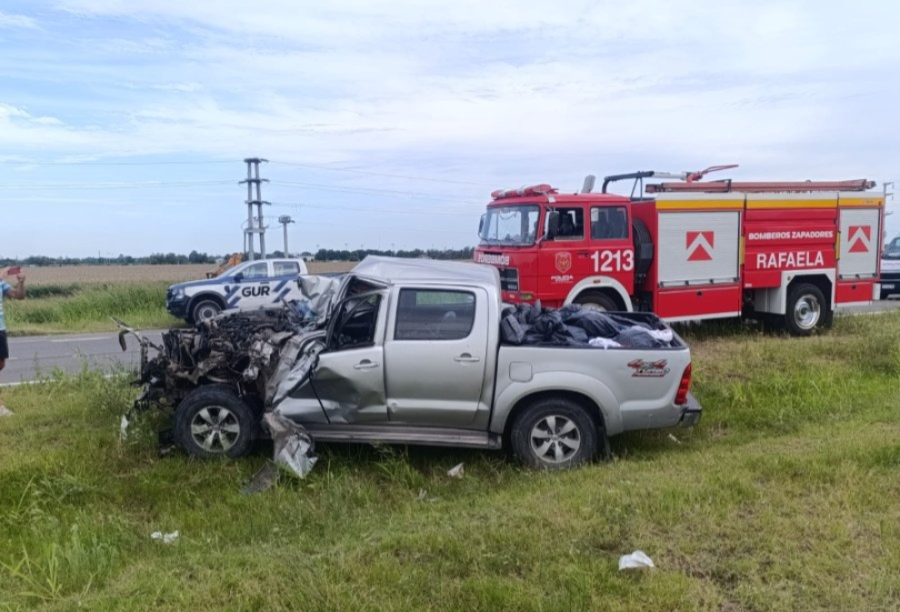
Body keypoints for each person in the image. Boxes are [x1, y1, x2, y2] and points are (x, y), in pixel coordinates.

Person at [0, 268, 26, 416]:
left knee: (1, 364)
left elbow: (19, 295)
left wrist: (21, 283)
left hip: (0, 328)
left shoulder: (2, 283)